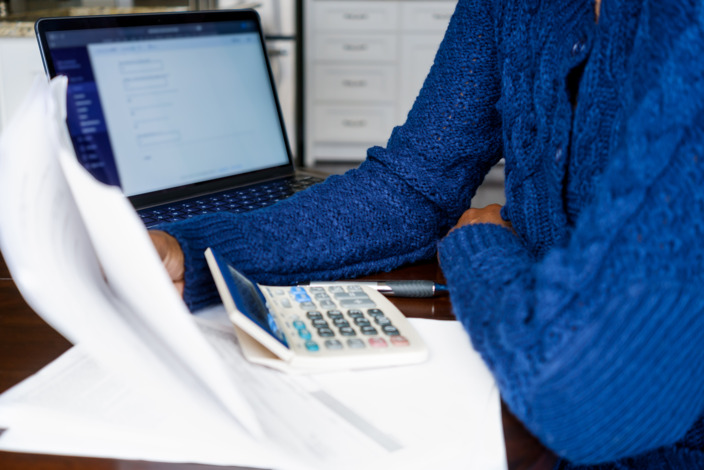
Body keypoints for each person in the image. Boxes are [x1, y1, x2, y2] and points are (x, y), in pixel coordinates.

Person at [149, 0, 704, 468]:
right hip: (513, 403)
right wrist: (194, 251)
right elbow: (410, 188)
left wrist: (481, 248)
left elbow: (596, 395)